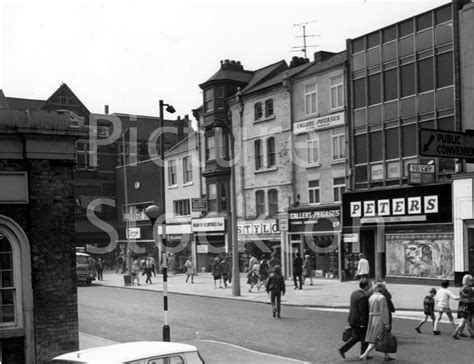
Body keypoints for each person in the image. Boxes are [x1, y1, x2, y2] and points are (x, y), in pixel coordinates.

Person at [360, 281, 394, 361]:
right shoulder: (382, 298)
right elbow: (384, 311)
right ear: (381, 288)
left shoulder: (371, 297)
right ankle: (365, 354)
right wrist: (386, 323)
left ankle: (387, 355)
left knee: (383, 337)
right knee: (377, 338)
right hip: (380, 319)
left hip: (372, 318)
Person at [338, 278, 370, 360]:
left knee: (356, 337)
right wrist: (363, 323)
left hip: (352, 319)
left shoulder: (354, 293)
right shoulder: (364, 296)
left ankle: (343, 349)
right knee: (364, 338)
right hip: (359, 322)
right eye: (369, 285)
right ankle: (363, 355)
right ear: (366, 286)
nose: (370, 286)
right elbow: (362, 311)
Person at [452, 274, 473, 339]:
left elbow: (461, 297)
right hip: (467, 305)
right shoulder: (469, 289)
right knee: (464, 320)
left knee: (466, 320)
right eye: (471, 280)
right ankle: (455, 333)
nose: (472, 281)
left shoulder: (461, 288)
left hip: (461, 305)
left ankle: (471, 333)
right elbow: (471, 298)